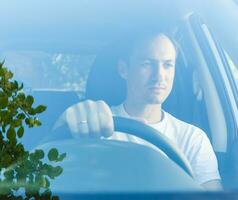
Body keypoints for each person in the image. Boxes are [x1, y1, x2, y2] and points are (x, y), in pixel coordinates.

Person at [55, 32, 223, 190]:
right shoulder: (91, 125)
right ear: (123, 69)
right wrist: (62, 131)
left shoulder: (193, 138)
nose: (159, 76)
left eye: (167, 65)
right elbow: (52, 182)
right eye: (147, 64)